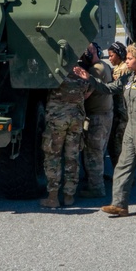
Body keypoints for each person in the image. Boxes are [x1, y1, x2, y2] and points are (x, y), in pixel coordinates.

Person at [84, 43, 136, 218]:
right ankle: (120, 204)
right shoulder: (128, 78)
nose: (127, 61)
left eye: (130, 58)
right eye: (127, 58)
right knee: (123, 165)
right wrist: (89, 78)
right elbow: (109, 88)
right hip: (131, 126)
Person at [40, 65, 91, 208]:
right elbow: (88, 90)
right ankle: (69, 196)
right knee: (72, 157)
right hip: (76, 120)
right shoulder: (82, 73)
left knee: (53, 157)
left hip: (57, 120)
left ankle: (53, 197)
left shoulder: (55, 72)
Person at [79, 42, 114, 198]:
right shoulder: (104, 66)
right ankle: (97, 180)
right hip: (106, 114)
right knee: (99, 150)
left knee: (93, 152)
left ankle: (96, 188)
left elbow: (85, 94)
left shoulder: (95, 70)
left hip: (97, 116)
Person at [105, 41, 130, 169]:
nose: (109, 59)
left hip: (122, 114)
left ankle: (124, 176)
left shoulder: (123, 69)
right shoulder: (118, 68)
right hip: (118, 113)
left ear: (119, 54)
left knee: (118, 146)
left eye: (111, 56)